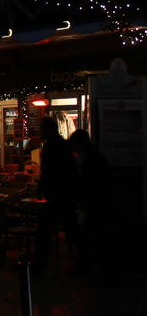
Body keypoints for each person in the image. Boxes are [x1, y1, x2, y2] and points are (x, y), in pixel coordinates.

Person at [34, 116, 79, 275]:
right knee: (71, 230)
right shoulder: (63, 146)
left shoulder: (51, 147)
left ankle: (39, 266)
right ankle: (82, 262)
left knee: (45, 231)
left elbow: (49, 173)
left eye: (41, 128)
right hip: (64, 194)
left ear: (47, 130)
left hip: (56, 195)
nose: (39, 132)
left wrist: (43, 187)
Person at [68, 129, 114, 279]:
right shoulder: (95, 157)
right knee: (95, 239)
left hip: (95, 205)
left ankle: (92, 269)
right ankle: (96, 269)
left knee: (90, 238)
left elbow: (90, 185)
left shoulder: (90, 160)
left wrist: (82, 200)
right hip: (98, 205)